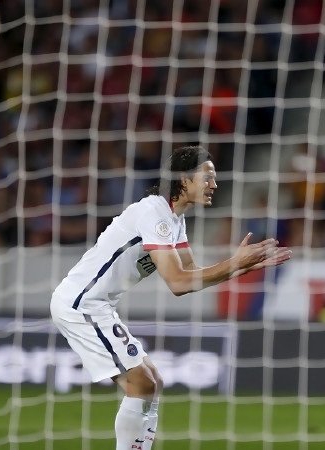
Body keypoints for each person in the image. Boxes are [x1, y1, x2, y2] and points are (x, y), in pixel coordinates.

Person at [50, 145, 292, 450]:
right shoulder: (154, 214)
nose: (214, 185)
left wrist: (243, 267)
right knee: (142, 383)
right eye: (207, 177)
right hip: (80, 304)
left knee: (153, 383)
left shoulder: (175, 219)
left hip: (98, 306)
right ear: (184, 179)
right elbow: (177, 283)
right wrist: (235, 263)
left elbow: (190, 272)